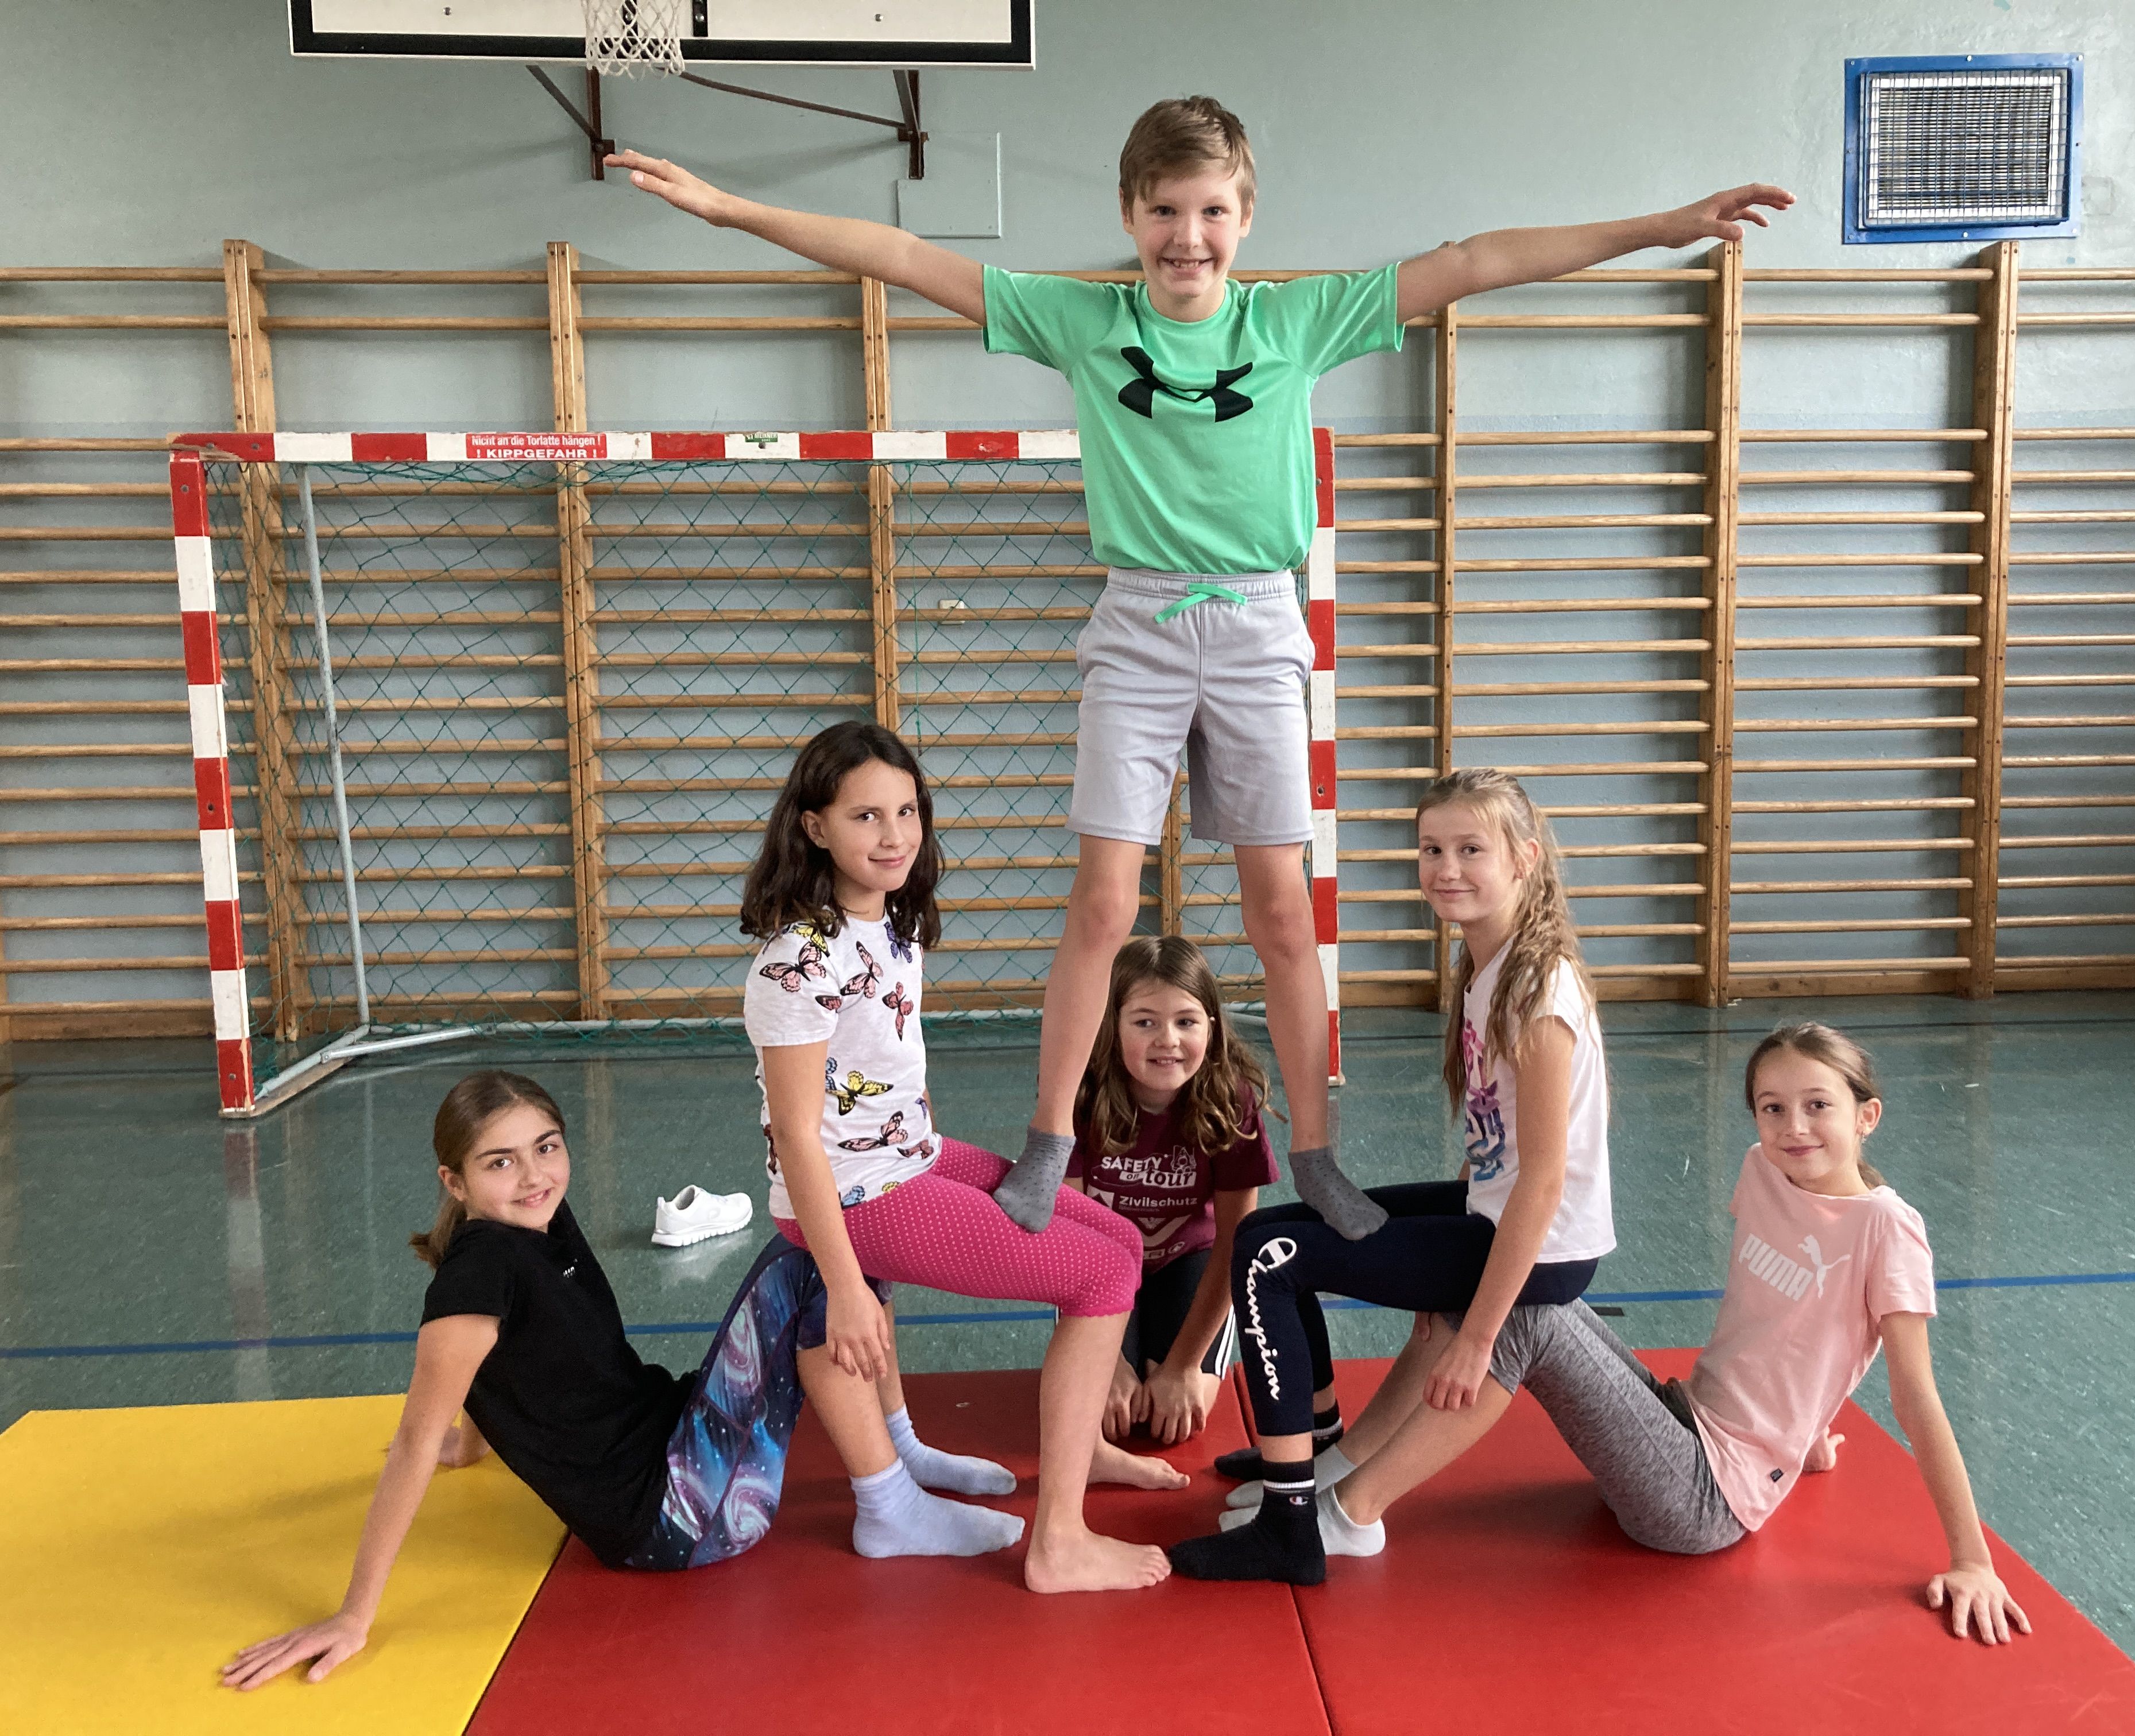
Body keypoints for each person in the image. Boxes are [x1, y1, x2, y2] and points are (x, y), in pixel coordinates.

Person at [604, 102, 1790, 1245]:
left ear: (1245, 216)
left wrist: (1657, 226)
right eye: (1166, 211)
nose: (1189, 236)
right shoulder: (1083, 319)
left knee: (1282, 911)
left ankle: (1314, 1153)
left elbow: (1476, 260)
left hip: (1261, 623)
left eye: (1212, 211)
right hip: (1140, 621)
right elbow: (905, 256)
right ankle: (1049, 1138)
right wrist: (729, 208)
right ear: (1130, 214)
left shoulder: (1296, 321)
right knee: (1102, 905)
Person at [222, 1070, 1023, 1691]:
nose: (533, 1175)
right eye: (500, 1162)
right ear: (455, 1182)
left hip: (678, 1453)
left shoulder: (534, 1222)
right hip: (682, 1516)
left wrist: (471, 1443)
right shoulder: (480, 1273)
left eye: (546, 1147)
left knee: (838, 1237)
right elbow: (410, 1444)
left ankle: (899, 1455)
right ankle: (890, 1508)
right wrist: (353, 1615)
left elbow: (503, 1367)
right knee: (825, 1248)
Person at [1320, 1022, 2035, 1647]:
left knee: (1524, 1317)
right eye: (1773, 1107)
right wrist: (1805, 1434)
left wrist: (1973, 1560)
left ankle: (1353, 1512)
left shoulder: (1888, 1230)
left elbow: (1916, 1397)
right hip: (1678, 1418)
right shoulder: (1765, 1171)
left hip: (1702, 1499)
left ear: (1867, 1115)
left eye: (1819, 1105)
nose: (1795, 1127)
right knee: (1516, 1281)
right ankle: (1344, 1464)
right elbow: (1795, 1323)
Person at [741, 720, 1184, 1595]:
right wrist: (847, 1287)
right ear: (814, 826)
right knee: (1098, 1279)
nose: (894, 835)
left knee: (1121, 1242)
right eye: (866, 816)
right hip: (856, 1195)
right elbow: (796, 1136)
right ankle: (1058, 1543)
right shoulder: (798, 962)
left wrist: (939, 1157)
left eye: (907, 811)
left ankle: (1061, 1448)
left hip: (911, 1158)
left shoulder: (892, 924)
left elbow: (893, 1069)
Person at [1170, 766, 1615, 1583]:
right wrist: (1427, 1270)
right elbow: (1496, 1141)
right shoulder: (1492, 967)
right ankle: (1314, 1459)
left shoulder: (1539, 991)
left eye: (1471, 849)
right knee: (1271, 1229)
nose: (1446, 868)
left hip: (1539, 1248)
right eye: (1432, 849)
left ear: (1524, 858)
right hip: (1491, 1215)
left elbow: (1545, 1182)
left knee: (1267, 1262)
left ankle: (1292, 1524)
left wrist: (1474, 1335)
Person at [1065, 935, 1277, 1446]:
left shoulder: (1230, 1100)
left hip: (1192, 1259)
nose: (1168, 1040)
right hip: (1101, 1263)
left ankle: (1169, 1359)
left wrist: (1182, 1367)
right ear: (1111, 1027)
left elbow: (1236, 1243)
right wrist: (1110, 1365)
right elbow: (1066, 1233)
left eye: (1186, 1022)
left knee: (1176, 1421)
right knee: (1103, 1414)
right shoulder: (1081, 1093)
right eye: (1145, 1022)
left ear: (1212, 1028)